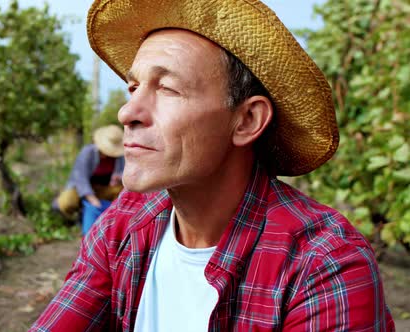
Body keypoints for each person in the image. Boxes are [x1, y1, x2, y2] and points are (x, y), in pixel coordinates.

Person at [33, 0, 394, 331]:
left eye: (168, 89)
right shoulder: (122, 225)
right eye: (133, 88)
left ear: (247, 121)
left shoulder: (323, 265)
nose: (128, 113)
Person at [54, 125, 124, 235]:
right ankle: (74, 216)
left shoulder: (119, 157)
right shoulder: (88, 152)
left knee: (121, 192)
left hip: (103, 189)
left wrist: (119, 178)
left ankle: (108, 222)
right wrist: (92, 200)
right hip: (82, 189)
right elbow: (80, 179)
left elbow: (122, 174)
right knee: (67, 201)